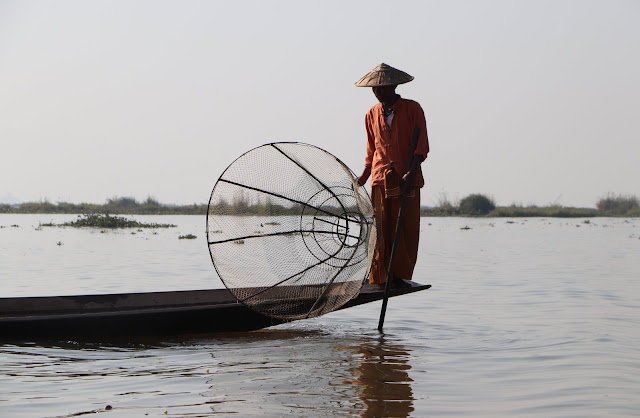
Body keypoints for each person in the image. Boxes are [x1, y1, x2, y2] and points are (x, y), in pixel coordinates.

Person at [355, 63, 429, 287]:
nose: (377, 92)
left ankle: (398, 277)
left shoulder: (412, 109)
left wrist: (411, 172)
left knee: (404, 228)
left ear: (394, 86)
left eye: (382, 88)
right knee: (380, 229)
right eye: (375, 89)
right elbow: (371, 149)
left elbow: (422, 147)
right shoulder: (371, 114)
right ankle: (379, 277)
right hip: (379, 177)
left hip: (406, 178)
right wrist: (364, 176)